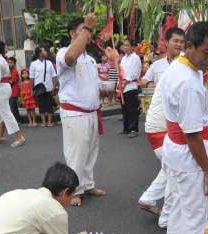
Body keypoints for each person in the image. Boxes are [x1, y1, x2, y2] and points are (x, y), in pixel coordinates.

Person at [161, 21, 208, 234]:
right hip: (188, 154)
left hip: (175, 150)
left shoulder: (179, 67)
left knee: (177, 206)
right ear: (189, 46)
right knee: (195, 215)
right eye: (206, 52)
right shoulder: (188, 82)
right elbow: (193, 135)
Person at [137, 27, 186, 227]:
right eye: (176, 41)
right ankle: (167, 217)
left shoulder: (181, 65)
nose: (179, 44)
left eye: (182, 42)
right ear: (166, 42)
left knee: (169, 168)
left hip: (167, 125)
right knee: (176, 169)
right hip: (160, 127)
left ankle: (148, 199)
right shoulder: (175, 67)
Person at [56, 15, 107, 208]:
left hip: (92, 112)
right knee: (76, 154)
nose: (87, 34)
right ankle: (73, 190)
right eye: (83, 30)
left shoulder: (91, 60)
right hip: (75, 113)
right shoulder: (64, 53)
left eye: (88, 31)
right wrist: (88, 27)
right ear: (72, 34)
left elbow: (95, 85)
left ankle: (87, 185)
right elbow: (71, 57)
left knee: (90, 152)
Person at [0, 41, 25, 147]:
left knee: (6, 113)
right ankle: (0, 135)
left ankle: (19, 137)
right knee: (0, 112)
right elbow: (6, 75)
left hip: (1, 89)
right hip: (2, 89)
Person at [29, 46, 57, 127]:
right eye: (44, 50)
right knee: (41, 105)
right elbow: (31, 78)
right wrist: (31, 89)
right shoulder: (33, 64)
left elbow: (54, 76)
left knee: (49, 105)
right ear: (39, 53)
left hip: (49, 87)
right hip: (39, 88)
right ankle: (43, 122)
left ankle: (49, 122)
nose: (46, 52)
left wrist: (54, 86)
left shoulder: (49, 63)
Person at [119, 39, 142, 138]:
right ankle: (126, 128)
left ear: (133, 47)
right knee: (124, 109)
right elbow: (121, 71)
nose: (125, 47)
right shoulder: (123, 58)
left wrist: (126, 82)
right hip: (122, 86)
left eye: (127, 45)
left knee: (132, 109)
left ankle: (133, 129)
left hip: (131, 86)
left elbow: (133, 73)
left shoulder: (135, 58)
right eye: (124, 45)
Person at [8, 57, 22, 123]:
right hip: (10, 92)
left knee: (12, 107)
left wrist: (5, 80)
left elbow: (11, 82)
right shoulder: (9, 71)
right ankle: (18, 120)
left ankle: (15, 121)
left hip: (14, 92)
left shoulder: (14, 71)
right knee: (14, 107)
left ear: (14, 64)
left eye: (11, 63)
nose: (9, 64)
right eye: (8, 62)